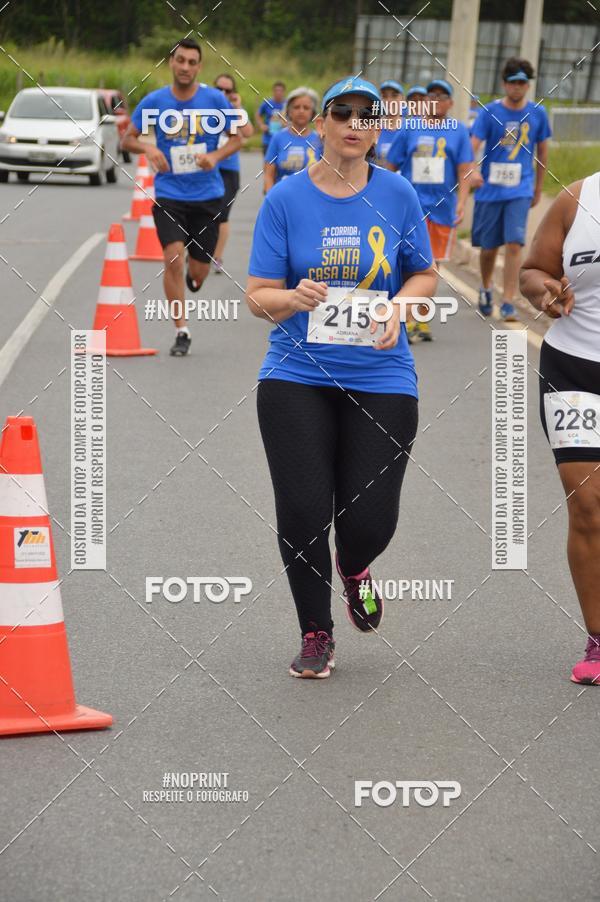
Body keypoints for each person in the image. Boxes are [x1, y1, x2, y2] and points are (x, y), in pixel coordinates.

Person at [245, 76, 436, 679]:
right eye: (342, 112)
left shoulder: (399, 194)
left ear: (377, 130)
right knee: (303, 510)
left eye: (367, 115)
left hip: (382, 375)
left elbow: (425, 275)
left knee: (370, 520)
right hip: (296, 374)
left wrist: (399, 307)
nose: (355, 123)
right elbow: (257, 296)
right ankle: (316, 631)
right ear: (321, 124)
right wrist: (292, 297)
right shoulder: (286, 199)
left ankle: (354, 569)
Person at [520, 171, 600, 685]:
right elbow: (532, 271)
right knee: (588, 504)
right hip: (575, 367)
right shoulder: (578, 198)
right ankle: (599, 639)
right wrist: (542, 291)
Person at [122, 38, 242, 356]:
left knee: (198, 274)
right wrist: (149, 148)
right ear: (171, 63)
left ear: (199, 67)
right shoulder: (155, 101)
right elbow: (127, 140)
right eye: (180, 60)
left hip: (208, 196)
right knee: (173, 256)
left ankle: (194, 272)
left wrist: (215, 156)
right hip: (169, 194)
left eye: (192, 62)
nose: (185, 67)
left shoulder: (214, 99)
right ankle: (181, 331)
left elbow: (237, 139)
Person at [386, 78, 474, 343]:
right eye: (431, 95)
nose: (435, 100)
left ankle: (421, 319)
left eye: (441, 96)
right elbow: (390, 166)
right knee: (405, 263)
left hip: (442, 208)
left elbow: (465, 169)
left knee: (432, 265)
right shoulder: (409, 128)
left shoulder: (458, 131)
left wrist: (462, 202)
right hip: (409, 208)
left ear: (450, 103)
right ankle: (404, 317)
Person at [470, 57, 551, 322]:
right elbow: (473, 145)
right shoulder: (489, 112)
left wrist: (538, 188)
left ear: (528, 85)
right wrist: (471, 170)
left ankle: (508, 300)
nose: (517, 87)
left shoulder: (538, 113)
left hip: (520, 189)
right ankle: (485, 287)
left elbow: (543, 153)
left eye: (522, 83)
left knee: (515, 243)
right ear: (505, 84)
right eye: (513, 82)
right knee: (489, 247)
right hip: (491, 190)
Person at [213, 73, 254, 274]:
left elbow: (248, 132)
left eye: (227, 90)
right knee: (202, 213)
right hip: (208, 168)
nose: (223, 93)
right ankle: (197, 251)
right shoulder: (206, 108)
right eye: (219, 88)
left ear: (233, 93)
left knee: (222, 214)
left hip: (229, 170)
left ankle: (217, 257)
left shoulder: (236, 111)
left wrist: (237, 108)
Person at [263, 87, 322, 192]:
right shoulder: (278, 137)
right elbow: (269, 174)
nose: (301, 111)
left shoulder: (320, 140)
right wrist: (270, 196)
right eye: (296, 107)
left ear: (313, 113)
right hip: (282, 196)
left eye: (306, 108)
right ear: (289, 111)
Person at [374, 79, 404, 165]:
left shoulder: (410, 128)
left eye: (394, 96)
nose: (389, 101)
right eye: (384, 96)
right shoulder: (373, 128)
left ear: (403, 99)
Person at [255, 82, 286, 157]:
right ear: (273, 91)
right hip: (268, 139)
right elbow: (258, 114)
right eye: (276, 90)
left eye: (280, 91)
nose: (278, 93)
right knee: (268, 161)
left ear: (284, 92)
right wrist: (261, 125)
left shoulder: (287, 104)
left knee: (282, 161)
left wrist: (287, 125)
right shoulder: (267, 103)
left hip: (283, 139)